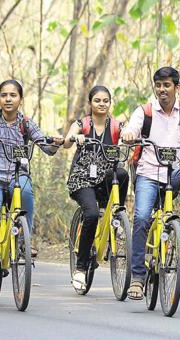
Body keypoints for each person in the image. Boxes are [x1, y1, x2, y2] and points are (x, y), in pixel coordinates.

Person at [120, 67, 180, 300]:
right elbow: (133, 127)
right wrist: (129, 134)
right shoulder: (144, 111)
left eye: (167, 85)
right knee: (143, 218)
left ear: (177, 87)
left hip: (174, 173)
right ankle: (137, 277)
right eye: (158, 85)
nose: (162, 89)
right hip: (147, 175)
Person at [0, 79, 63, 285]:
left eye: (13, 95)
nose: (8, 99)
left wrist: (54, 143)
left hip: (17, 176)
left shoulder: (26, 123)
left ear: (20, 99)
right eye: (4, 95)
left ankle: (23, 241)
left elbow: (45, 146)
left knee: (27, 192)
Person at [62, 85, 128, 291]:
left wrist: (131, 137)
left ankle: (116, 215)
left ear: (110, 103)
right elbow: (65, 142)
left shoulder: (116, 126)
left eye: (105, 100)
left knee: (123, 174)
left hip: (106, 179)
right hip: (83, 180)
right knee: (90, 214)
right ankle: (80, 267)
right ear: (90, 103)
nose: (102, 104)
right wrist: (75, 137)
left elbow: (130, 134)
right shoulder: (83, 123)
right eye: (97, 100)